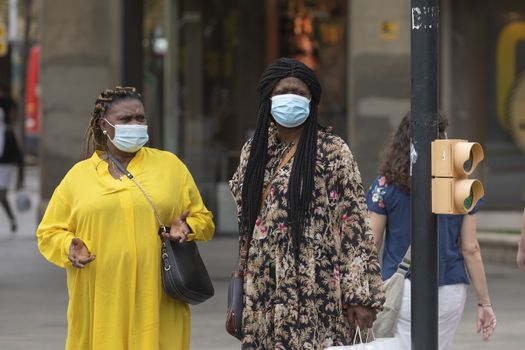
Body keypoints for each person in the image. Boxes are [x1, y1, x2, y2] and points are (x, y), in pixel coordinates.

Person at [36, 86, 215, 350]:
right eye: (125, 119)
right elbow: (48, 232)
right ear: (104, 125)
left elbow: (205, 220)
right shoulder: (78, 177)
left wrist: (187, 228)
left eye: (140, 118)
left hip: (158, 304)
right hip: (101, 305)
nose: (135, 124)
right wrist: (69, 247)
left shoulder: (170, 167)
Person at [229, 58, 385, 349]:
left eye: (300, 93)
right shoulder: (253, 152)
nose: (292, 98)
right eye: (283, 91)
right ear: (267, 100)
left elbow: (354, 226)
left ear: (312, 100)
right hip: (264, 287)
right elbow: (246, 222)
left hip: (318, 288)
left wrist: (359, 295)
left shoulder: (333, 150)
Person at [366, 114, 496, 349]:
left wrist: (362, 291)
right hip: (449, 286)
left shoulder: (386, 185)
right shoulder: (463, 188)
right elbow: (470, 248)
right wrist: (484, 303)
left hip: (400, 286)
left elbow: (371, 244)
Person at [0, 86, 23, 233]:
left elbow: (18, 156)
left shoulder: (7, 133)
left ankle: (11, 218)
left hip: (5, 167)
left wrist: (21, 179)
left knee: (2, 195)